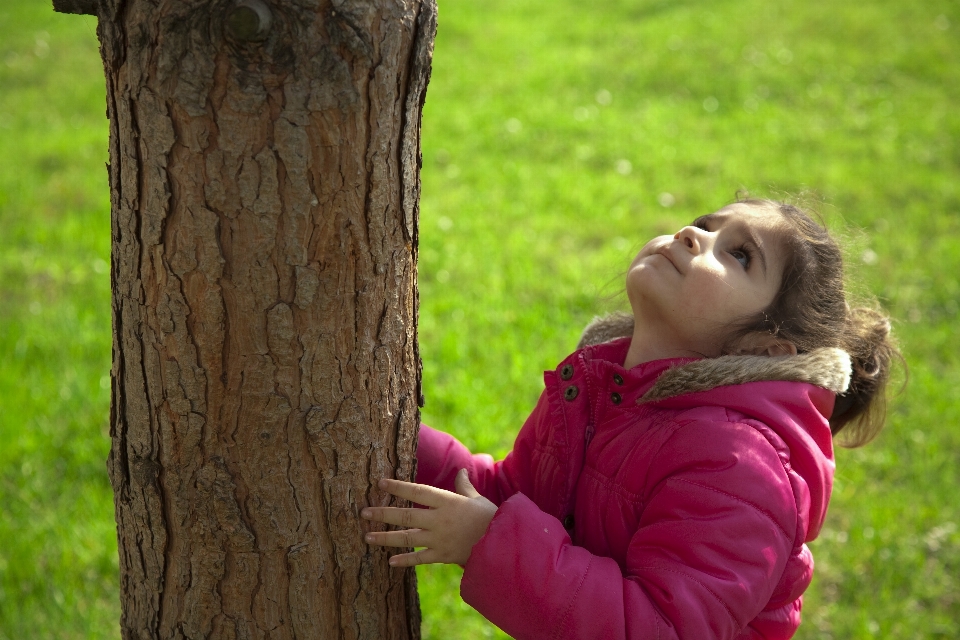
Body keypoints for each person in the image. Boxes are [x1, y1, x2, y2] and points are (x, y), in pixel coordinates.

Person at [360, 198, 899, 640]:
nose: (692, 233)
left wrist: (488, 541)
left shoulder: (740, 466)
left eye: (739, 254)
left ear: (769, 349)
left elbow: (661, 628)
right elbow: (512, 497)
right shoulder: (603, 390)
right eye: (705, 223)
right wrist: (385, 438)